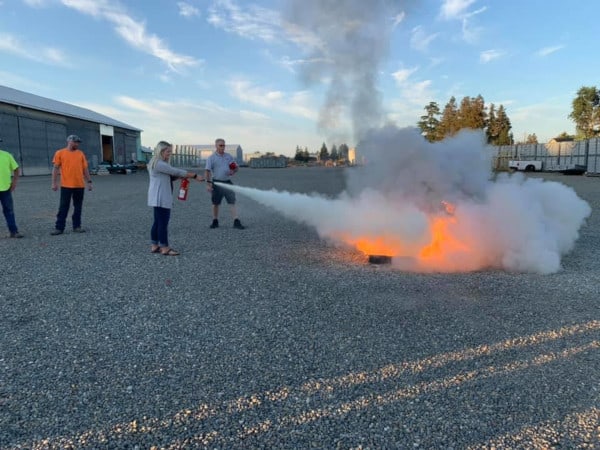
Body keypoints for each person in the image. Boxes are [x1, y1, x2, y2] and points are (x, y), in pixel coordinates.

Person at [148, 140, 204, 256]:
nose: (170, 154)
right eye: (168, 151)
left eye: (170, 151)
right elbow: (175, 171)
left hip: (157, 197)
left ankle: (154, 245)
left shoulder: (156, 163)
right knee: (163, 223)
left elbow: (169, 176)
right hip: (161, 197)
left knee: (157, 222)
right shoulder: (159, 163)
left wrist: (178, 178)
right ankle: (165, 248)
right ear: (161, 151)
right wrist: (194, 175)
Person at [50, 135, 93, 235]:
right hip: (66, 185)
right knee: (63, 207)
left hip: (79, 185)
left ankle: (77, 226)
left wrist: (89, 182)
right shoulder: (60, 153)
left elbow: (85, 169)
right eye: (75, 142)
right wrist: (54, 183)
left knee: (78, 207)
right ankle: (59, 228)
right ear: (69, 141)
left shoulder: (80, 154)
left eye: (78, 142)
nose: (77, 144)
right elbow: (55, 168)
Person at [205, 138, 245, 229]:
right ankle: (215, 221)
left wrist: (233, 171)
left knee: (232, 202)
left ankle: (236, 221)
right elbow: (207, 171)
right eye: (221, 145)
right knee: (215, 203)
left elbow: (236, 168)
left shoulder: (229, 157)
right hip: (216, 183)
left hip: (227, 182)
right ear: (216, 146)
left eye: (224, 145)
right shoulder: (211, 158)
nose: (223, 147)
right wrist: (208, 184)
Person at [0, 139, 23, 238]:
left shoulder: (6, 155)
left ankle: (14, 231)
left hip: (5, 188)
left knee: (9, 210)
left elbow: (16, 169)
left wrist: (14, 182)